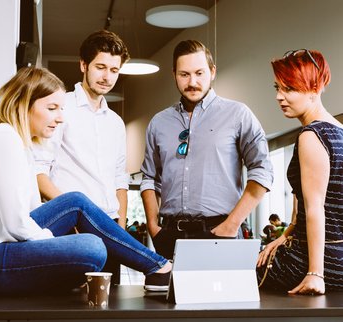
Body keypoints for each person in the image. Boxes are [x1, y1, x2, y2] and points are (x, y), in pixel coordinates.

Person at [0, 67, 171, 298]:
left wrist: (55, 245)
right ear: (25, 104)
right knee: (92, 248)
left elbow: (29, 215)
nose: (60, 118)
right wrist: (57, 244)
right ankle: (158, 267)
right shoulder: (2, 139)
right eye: (52, 108)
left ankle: (157, 267)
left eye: (62, 109)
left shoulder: (21, 146)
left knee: (75, 203)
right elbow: (17, 224)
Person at [141, 39, 274, 259]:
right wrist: (154, 227)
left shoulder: (238, 114)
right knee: (165, 295)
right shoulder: (159, 122)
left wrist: (232, 225)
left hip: (221, 232)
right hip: (169, 235)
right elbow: (149, 177)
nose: (192, 82)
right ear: (174, 74)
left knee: (225, 295)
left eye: (199, 73)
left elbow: (263, 170)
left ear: (212, 72)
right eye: (184, 74)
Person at [33, 30, 129, 284]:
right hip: (72, 225)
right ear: (83, 65)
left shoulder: (117, 123)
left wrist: (120, 224)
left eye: (114, 70)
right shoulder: (59, 107)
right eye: (100, 67)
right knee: (69, 303)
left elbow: (120, 178)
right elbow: (38, 170)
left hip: (110, 225)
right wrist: (71, 212)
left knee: (112, 306)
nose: (107, 76)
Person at [257, 49, 343, 295]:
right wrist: (283, 236)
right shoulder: (339, 132)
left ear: (315, 89)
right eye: (277, 88)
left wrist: (315, 274)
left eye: (289, 89)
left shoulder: (312, 135)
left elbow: (317, 208)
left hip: (313, 262)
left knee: (233, 275)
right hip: (338, 259)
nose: (279, 97)